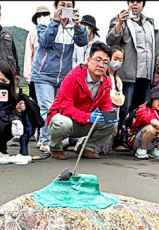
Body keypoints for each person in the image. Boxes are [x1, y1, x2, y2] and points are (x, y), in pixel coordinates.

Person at [32, 0, 89, 153]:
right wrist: (55, 22)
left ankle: (52, 139)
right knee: (47, 108)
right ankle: (46, 141)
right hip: (44, 74)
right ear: (56, 7)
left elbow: (83, 41)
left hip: (63, 76)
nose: (65, 8)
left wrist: (78, 25)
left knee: (59, 110)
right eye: (62, 4)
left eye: (69, 5)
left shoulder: (73, 25)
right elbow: (44, 42)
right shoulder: (45, 22)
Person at [46, 42, 119, 160]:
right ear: (89, 60)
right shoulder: (73, 77)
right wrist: (88, 117)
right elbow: (65, 107)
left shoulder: (106, 82)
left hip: (85, 121)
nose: (101, 65)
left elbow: (106, 105)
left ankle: (87, 148)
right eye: (98, 60)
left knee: (112, 124)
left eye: (105, 62)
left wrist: (111, 114)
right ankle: (55, 148)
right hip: (65, 118)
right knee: (63, 123)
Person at [106, 1, 157, 124]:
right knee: (123, 109)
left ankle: (135, 135)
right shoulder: (120, 19)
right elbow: (110, 41)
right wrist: (120, 23)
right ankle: (117, 133)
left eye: (138, 2)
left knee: (142, 111)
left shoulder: (149, 22)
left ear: (143, 4)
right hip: (128, 74)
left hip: (146, 75)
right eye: (132, 1)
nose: (134, 4)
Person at [23, 5, 51, 104]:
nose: (42, 17)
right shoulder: (32, 34)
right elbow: (28, 56)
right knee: (35, 105)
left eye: (45, 14)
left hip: (51, 76)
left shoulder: (55, 32)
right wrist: (28, 77)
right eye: (39, 15)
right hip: (36, 76)